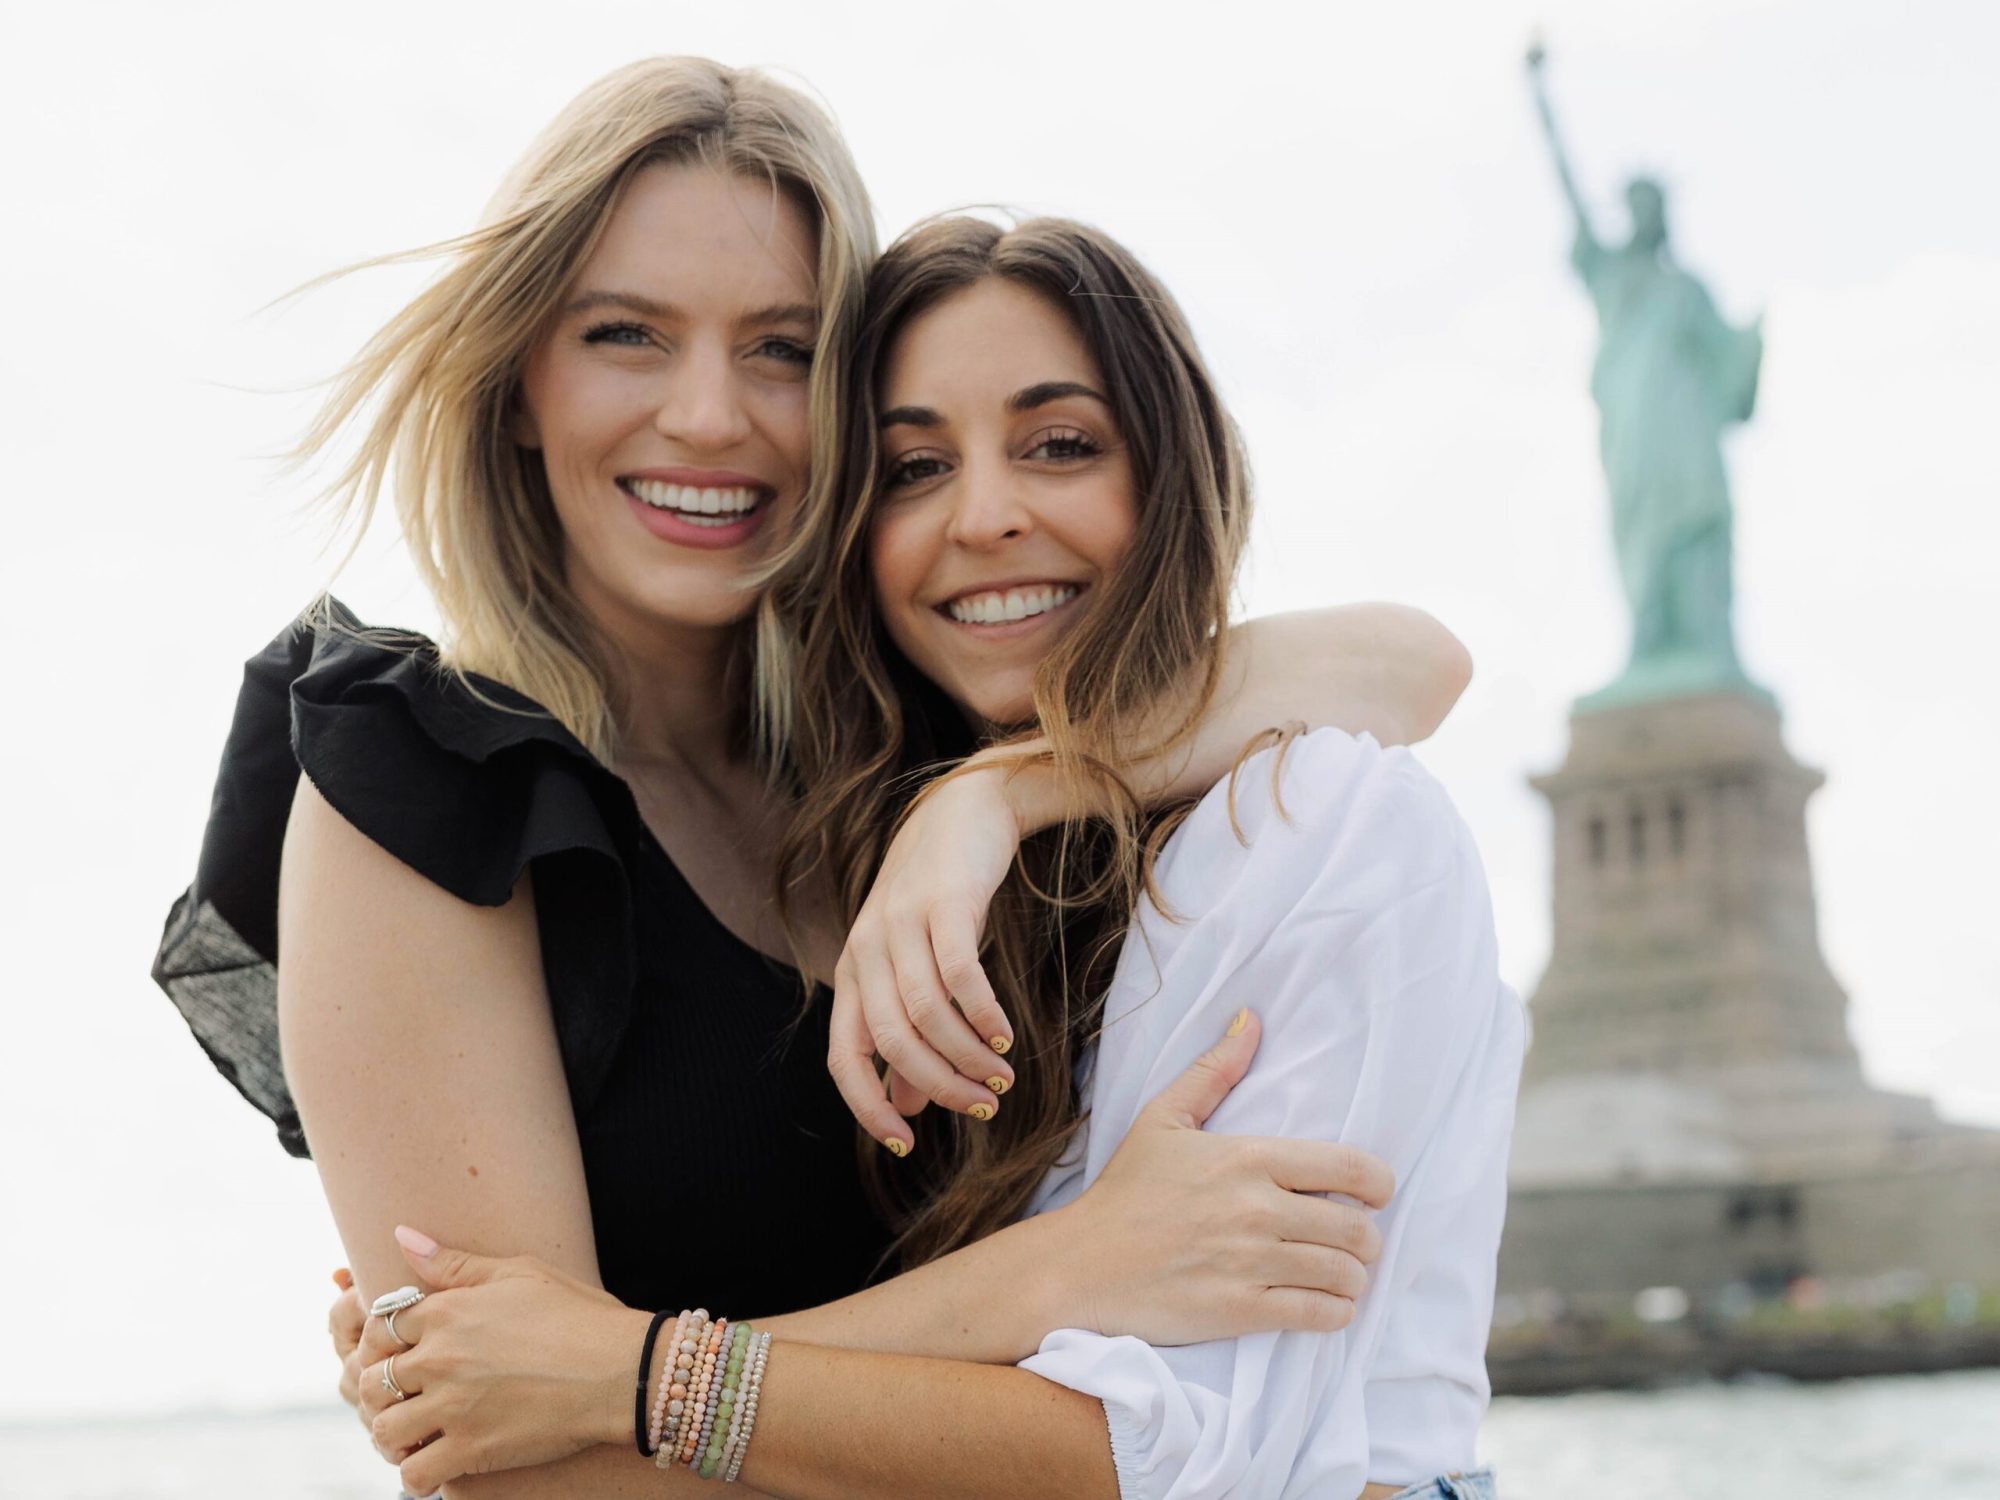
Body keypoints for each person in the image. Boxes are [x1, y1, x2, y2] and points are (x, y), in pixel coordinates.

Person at [151, 57, 1470, 1498]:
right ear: (519, 380)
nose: (711, 418)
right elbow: (539, 1478)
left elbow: (1410, 666)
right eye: (627, 336)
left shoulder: (919, 739)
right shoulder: (425, 792)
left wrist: (1000, 796)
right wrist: (1057, 1278)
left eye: (781, 351)